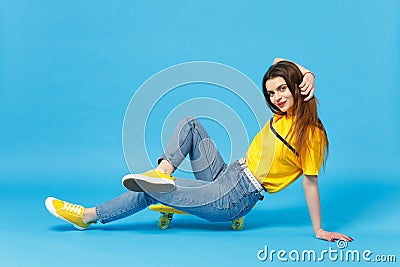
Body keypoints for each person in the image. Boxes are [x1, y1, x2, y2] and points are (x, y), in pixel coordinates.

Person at [45, 59, 352, 243]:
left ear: (297, 87)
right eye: (271, 93)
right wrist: (308, 71)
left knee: (152, 191)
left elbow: (310, 183)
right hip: (228, 173)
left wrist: (319, 229)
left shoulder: (311, 135)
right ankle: (162, 173)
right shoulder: (282, 116)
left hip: (236, 197)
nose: (276, 98)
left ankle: (88, 216)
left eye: (282, 89)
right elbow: (278, 59)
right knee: (190, 123)